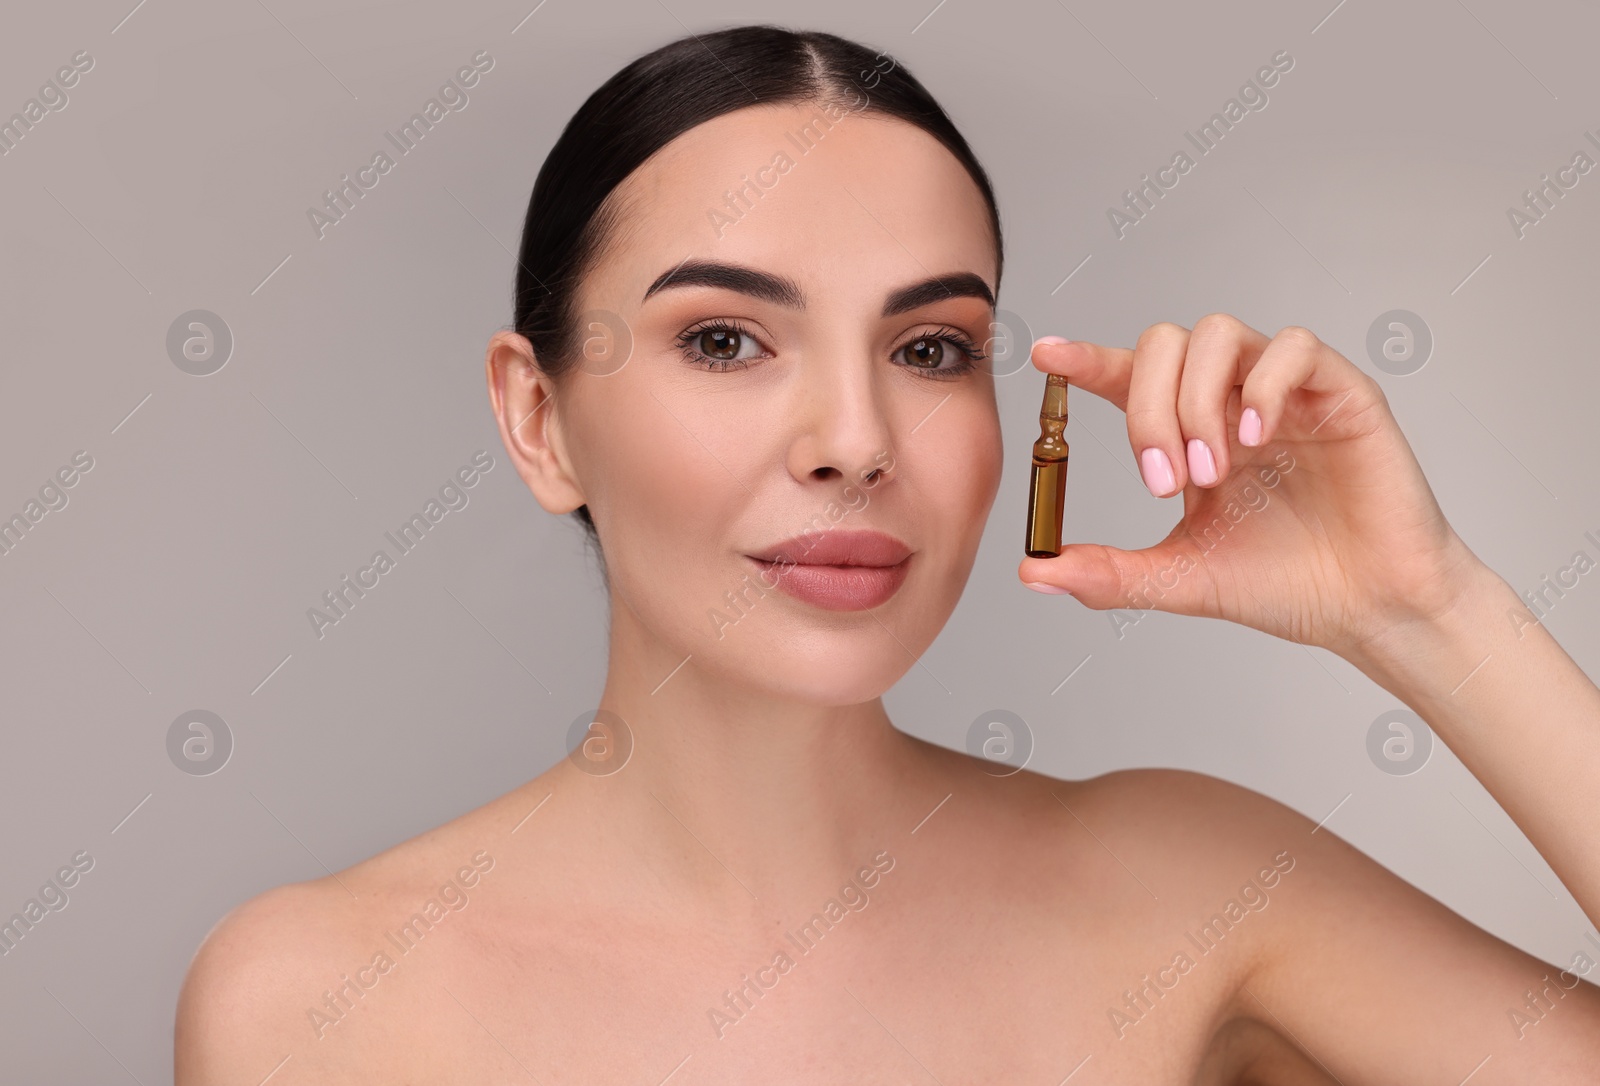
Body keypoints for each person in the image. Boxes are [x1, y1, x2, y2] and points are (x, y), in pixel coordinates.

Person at [175, 23, 1600, 1083]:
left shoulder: (1195, 884)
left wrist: (1428, 610)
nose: (855, 439)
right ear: (539, 417)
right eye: (725, 339)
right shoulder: (320, 999)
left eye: (929, 349)